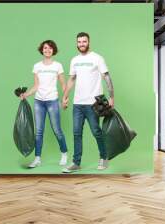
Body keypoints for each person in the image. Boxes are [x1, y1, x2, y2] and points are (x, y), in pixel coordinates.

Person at [62, 32, 115, 173]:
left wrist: (111, 97)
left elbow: (107, 77)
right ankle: (76, 162)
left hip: (93, 103)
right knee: (76, 133)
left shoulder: (97, 58)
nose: (81, 44)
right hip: (77, 104)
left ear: (88, 42)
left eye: (84, 41)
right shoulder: (74, 60)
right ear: (76, 43)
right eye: (79, 42)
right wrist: (65, 97)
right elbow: (71, 79)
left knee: (96, 131)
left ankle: (104, 158)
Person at [20, 40, 68, 168]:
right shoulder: (37, 66)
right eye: (45, 48)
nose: (48, 50)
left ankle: (64, 153)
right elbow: (36, 85)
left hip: (52, 101)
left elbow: (63, 84)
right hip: (39, 102)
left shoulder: (58, 66)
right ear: (42, 50)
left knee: (57, 130)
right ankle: (37, 158)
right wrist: (26, 94)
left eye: (50, 48)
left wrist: (65, 98)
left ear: (53, 50)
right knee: (39, 131)